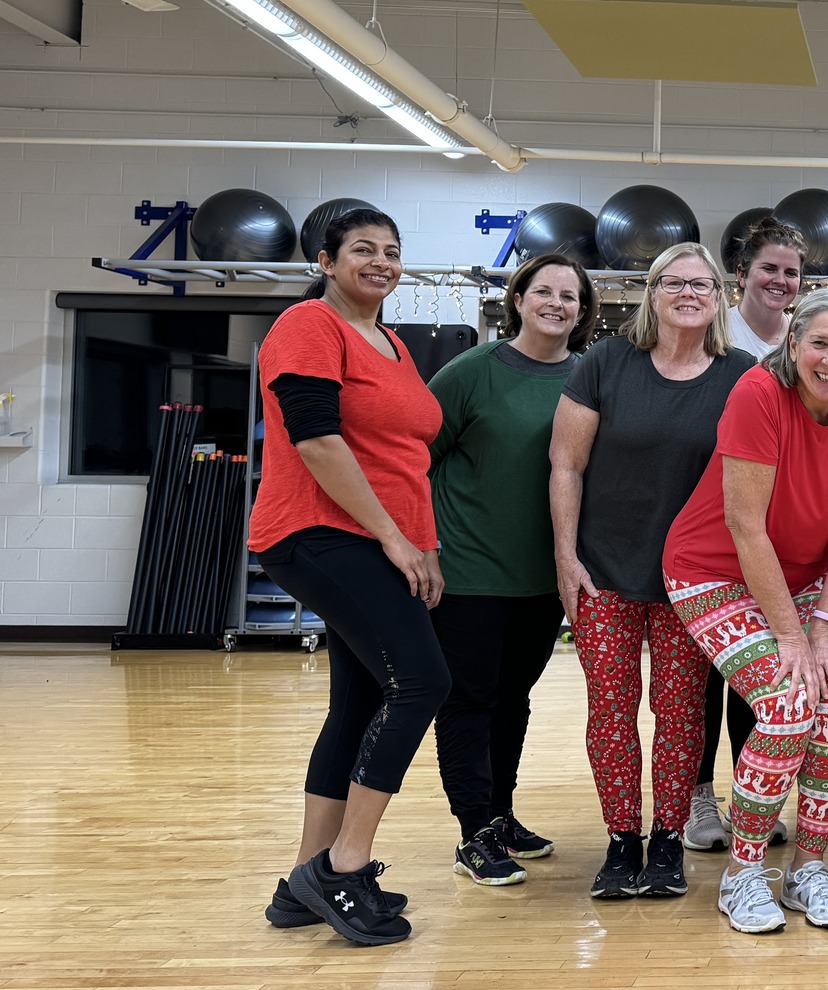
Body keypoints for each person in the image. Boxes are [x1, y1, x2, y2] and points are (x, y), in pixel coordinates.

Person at [665, 287, 828, 933]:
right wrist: (791, 638)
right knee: (790, 701)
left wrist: (822, 625)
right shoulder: (759, 394)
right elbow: (745, 524)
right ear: (792, 346)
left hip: (802, 580)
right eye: (818, 343)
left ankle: (807, 869)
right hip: (711, 570)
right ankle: (743, 873)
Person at [253, 207, 448, 947]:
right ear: (328, 261)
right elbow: (318, 441)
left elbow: (399, 458)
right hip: (319, 533)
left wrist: (419, 542)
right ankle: (344, 864)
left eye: (393, 251)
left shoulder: (389, 341)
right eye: (363, 249)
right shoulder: (309, 324)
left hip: (375, 540)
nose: (382, 261)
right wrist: (394, 538)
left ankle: (302, 883)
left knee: (360, 700)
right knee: (423, 683)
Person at [551, 241, 754, 899]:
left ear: (720, 296)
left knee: (680, 715)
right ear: (652, 291)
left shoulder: (741, 374)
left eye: (701, 283)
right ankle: (620, 842)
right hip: (604, 572)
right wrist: (565, 558)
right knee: (609, 711)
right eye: (674, 281)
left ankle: (667, 840)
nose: (688, 292)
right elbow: (566, 465)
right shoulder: (608, 362)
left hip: (693, 581)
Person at [427, 251, 592, 888]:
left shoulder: (585, 378)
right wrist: (423, 546)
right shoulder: (470, 372)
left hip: (543, 577)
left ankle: (500, 814)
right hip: (469, 574)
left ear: (582, 312)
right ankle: (474, 832)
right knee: (470, 700)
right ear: (518, 299)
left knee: (513, 701)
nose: (556, 304)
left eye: (569, 296)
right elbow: (415, 460)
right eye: (543, 291)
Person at [724, 213, 806, 361]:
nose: (780, 280)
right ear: (742, 275)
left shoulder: (803, 336)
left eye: (790, 273)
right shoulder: (717, 332)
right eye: (769, 269)